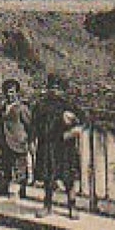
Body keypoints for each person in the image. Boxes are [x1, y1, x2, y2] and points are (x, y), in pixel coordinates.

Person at [32, 74, 83, 219]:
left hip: (65, 147)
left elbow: (84, 122)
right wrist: (32, 141)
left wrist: (74, 129)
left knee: (68, 177)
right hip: (47, 145)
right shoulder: (41, 105)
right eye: (52, 88)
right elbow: (34, 124)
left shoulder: (69, 105)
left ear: (63, 90)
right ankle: (47, 206)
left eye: (58, 88)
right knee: (48, 176)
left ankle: (72, 207)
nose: (54, 91)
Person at [0, 78, 33, 198]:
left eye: (12, 92)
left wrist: (28, 140)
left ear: (17, 93)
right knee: (5, 166)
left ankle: (19, 191)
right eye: (7, 92)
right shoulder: (3, 108)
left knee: (20, 168)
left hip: (19, 142)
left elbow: (29, 125)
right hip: (6, 142)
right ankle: (3, 188)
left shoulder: (21, 108)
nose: (9, 94)